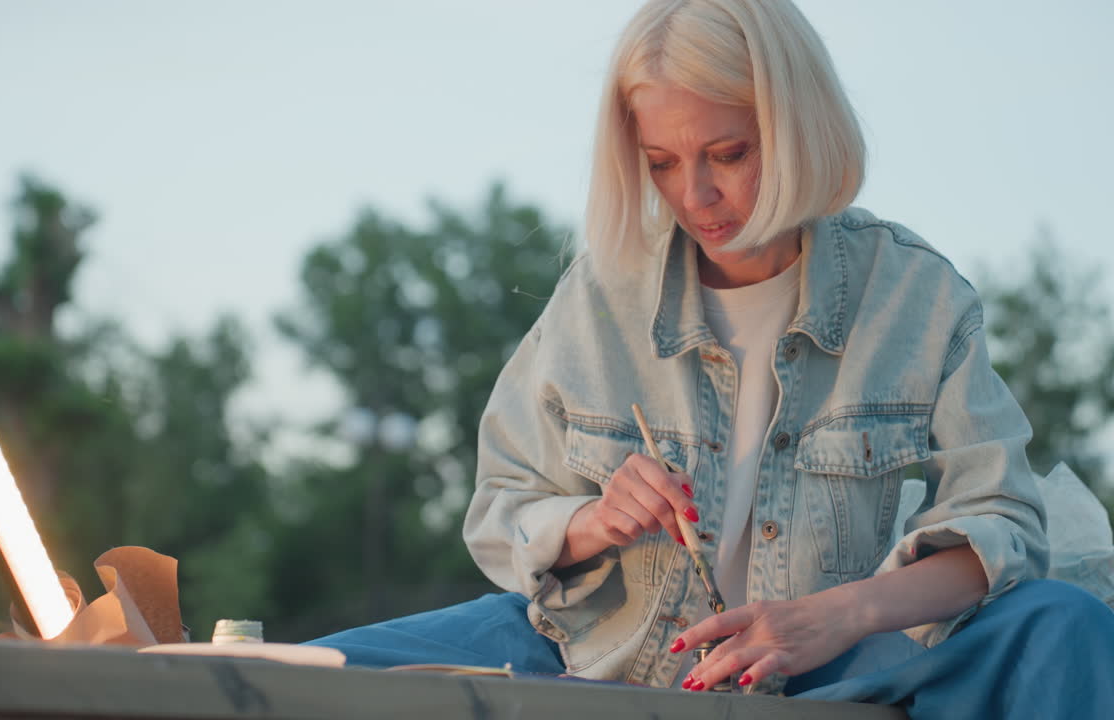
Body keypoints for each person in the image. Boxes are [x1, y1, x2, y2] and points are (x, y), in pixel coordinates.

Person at [307, 0, 1114, 715]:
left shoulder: (917, 295)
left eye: (728, 153)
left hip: (838, 667)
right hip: (605, 655)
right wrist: (592, 521)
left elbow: (1004, 522)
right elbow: (500, 510)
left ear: (799, 129)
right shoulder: (599, 294)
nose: (694, 197)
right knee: (300, 671)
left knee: (1062, 624)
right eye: (662, 162)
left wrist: (835, 617)